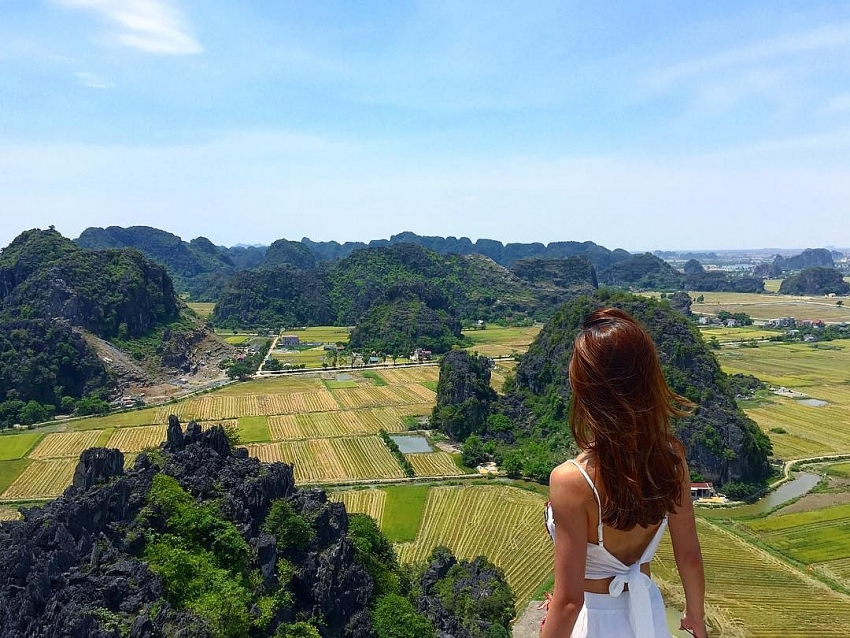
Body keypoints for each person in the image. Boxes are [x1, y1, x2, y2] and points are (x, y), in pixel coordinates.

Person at [540, 307, 707, 638]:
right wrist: (696, 618)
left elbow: (569, 601)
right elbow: (688, 554)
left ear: (589, 391)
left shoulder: (572, 480)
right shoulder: (671, 458)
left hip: (596, 622)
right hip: (647, 615)